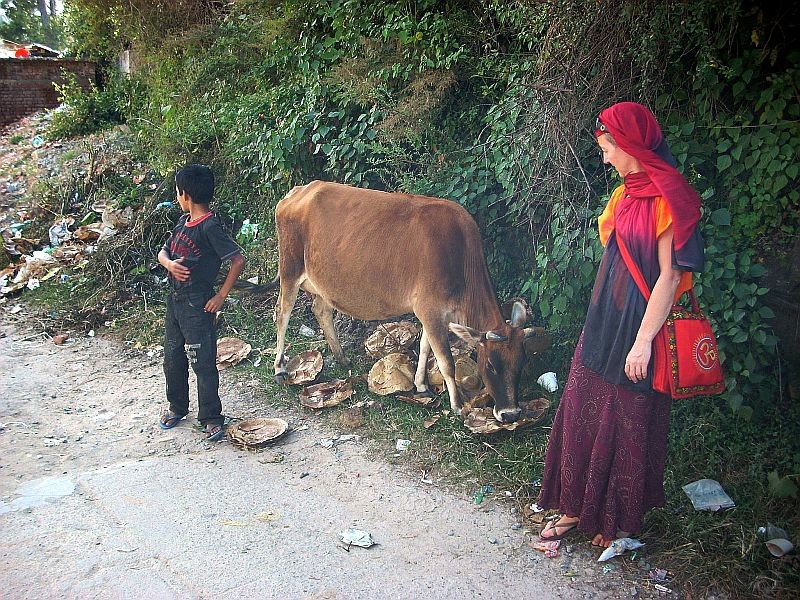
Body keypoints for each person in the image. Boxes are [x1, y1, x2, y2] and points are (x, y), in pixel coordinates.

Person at [537, 102, 705, 547]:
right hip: (604, 321)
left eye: (608, 148)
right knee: (581, 406)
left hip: (639, 327)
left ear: (629, 145)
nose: (605, 157)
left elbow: (669, 277)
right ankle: (577, 508)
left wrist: (643, 341)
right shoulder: (624, 195)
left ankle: (616, 518)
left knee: (627, 419)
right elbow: (615, 256)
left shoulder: (669, 201)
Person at [157, 164, 245, 441]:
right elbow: (162, 252)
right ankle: (177, 407)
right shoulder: (182, 224)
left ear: (186, 195)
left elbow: (238, 259)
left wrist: (220, 296)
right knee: (172, 357)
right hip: (175, 302)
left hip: (198, 304)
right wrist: (170, 264)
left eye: (177, 192)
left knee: (202, 361)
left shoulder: (210, 226)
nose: (177, 197)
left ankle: (210, 417)